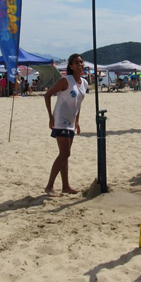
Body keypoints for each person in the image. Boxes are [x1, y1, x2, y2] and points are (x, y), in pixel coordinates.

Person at [44, 54, 87, 196]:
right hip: (60, 120)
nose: (80, 65)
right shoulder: (65, 80)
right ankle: (49, 186)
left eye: (81, 62)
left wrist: (77, 121)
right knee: (65, 153)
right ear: (71, 66)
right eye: (76, 63)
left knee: (65, 155)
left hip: (71, 122)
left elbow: (79, 104)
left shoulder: (84, 83)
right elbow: (47, 95)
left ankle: (66, 186)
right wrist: (50, 117)